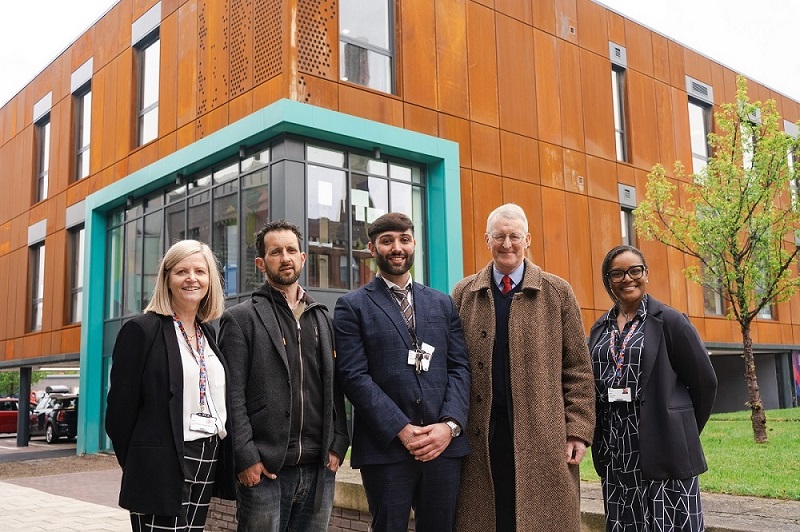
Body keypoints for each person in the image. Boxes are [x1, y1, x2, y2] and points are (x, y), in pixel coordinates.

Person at [452, 203, 595, 532]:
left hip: (544, 437)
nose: (506, 244)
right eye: (499, 236)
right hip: (481, 435)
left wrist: (578, 431)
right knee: (489, 517)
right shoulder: (464, 294)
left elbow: (578, 369)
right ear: (487, 240)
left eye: (514, 236)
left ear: (527, 239)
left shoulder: (557, 292)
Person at [334, 212, 470, 532]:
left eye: (404, 239)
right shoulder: (351, 306)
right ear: (372, 248)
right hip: (386, 450)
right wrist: (403, 430)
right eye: (387, 241)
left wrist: (448, 426)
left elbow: (460, 367)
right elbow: (354, 376)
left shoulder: (443, 303)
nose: (397, 247)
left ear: (414, 245)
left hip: (443, 448)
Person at [218, 220, 349, 531]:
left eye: (292, 250)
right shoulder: (240, 319)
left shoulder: (321, 316)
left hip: (319, 468)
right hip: (265, 470)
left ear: (303, 258)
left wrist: (339, 442)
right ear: (261, 263)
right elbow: (231, 394)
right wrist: (246, 457)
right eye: (276, 252)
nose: (285, 258)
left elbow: (334, 387)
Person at [106, 239, 235, 531]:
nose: (192, 278)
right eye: (181, 271)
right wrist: (142, 460)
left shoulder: (207, 333)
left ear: (210, 280)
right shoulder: (142, 330)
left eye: (200, 272)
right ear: (167, 278)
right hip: (160, 464)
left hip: (207, 456)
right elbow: (119, 414)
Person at [588, 245, 717, 531]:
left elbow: (704, 383)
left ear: (646, 274)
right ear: (608, 281)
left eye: (635, 270)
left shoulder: (670, 321)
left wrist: (680, 430)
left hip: (665, 449)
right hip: (616, 452)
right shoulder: (600, 328)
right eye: (618, 273)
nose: (628, 278)